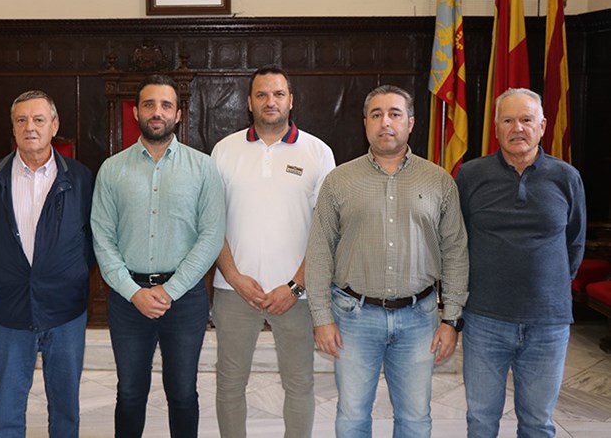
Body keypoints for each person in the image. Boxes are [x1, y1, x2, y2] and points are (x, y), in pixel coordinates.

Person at [305, 84, 469, 438]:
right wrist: (321, 318)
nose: (385, 123)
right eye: (376, 115)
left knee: (415, 418)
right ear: (365, 123)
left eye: (395, 114)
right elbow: (319, 252)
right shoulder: (339, 181)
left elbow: (456, 251)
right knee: (352, 416)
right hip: (354, 317)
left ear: (411, 122)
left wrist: (451, 319)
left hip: (419, 318)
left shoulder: (439, 181)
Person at [91, 74, 225, 438]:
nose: (157, 112)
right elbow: (102, 238)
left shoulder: (203, 167)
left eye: (166, 105)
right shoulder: (112, 169)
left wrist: (171, 290)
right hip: (127, 299)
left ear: (178, 114)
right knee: (130, 393)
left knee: (182, 394)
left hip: (185, 300)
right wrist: (133, 292)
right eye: (149, 104)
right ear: (135, 112)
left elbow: (211, 236)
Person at [211, 65, 335, 438]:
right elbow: (211, 223)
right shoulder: (224, 151)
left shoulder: (318, 152)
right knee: (229, 383)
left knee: (299, 384)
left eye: (278, 94)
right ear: (249, 102)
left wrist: (296, 285)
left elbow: (327, 229)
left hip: (297, 295)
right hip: (234, 291)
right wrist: (234, 277)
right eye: (262, 94)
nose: (271, 101)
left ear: (290, 100)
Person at [455, 88, 585, 438]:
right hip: (485, 319)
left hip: (548, 323)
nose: (518, 128)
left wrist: (549, 287)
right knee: (481, 421)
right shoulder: (470, 175)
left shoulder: (566, 177)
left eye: (527, 120)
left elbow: (575, 242)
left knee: (538, 423)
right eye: (508, 120)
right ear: (496, 127)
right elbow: (457, 241)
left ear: (542, 126)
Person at [0, 90, 94, 438]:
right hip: (9, 311)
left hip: (66, 311)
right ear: (12, 127)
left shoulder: (81, 178)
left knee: (65, 407)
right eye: (21, 120)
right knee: (8, 407)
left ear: (54, 125)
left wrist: (69, 273)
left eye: (39, 120)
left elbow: (92, 238)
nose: (30, 128)